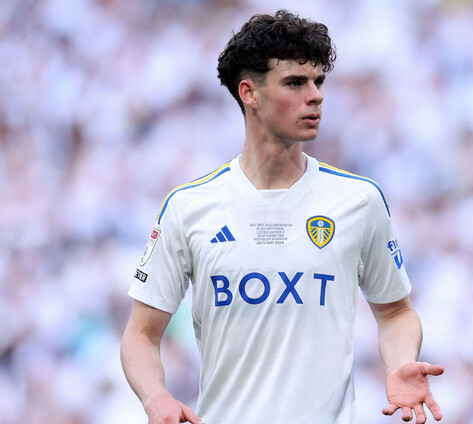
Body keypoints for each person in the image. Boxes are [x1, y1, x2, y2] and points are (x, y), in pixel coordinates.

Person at [121, 9, 444, 424]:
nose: (316, 95)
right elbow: (141, 333)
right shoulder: (189, 206)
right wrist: (155, 398)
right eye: (295, 83)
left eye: (318, 82)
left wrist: (399, 364)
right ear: (249, 93)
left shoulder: (357, 200)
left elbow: (395, 310)